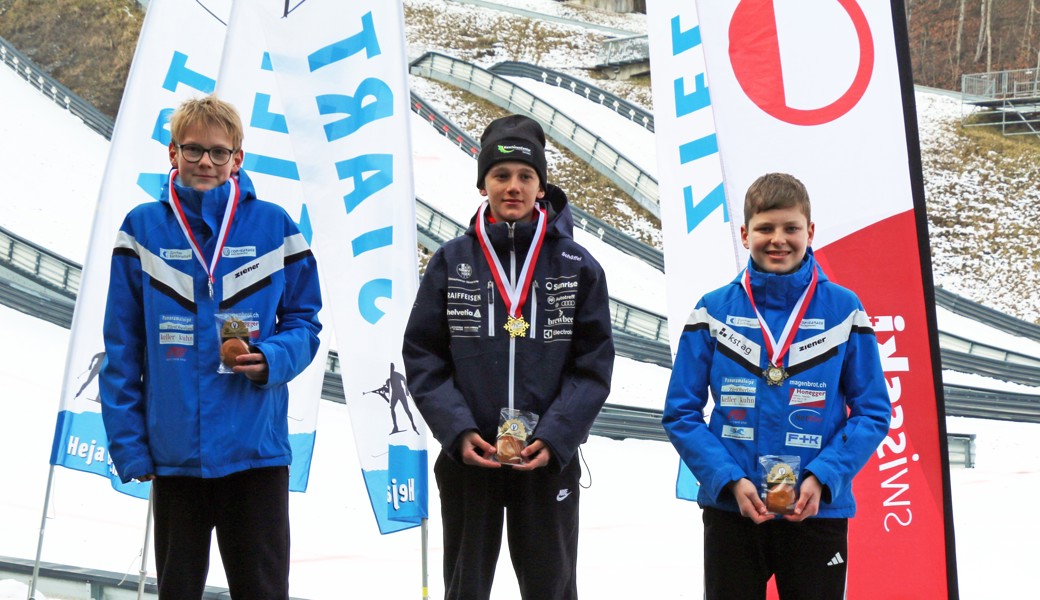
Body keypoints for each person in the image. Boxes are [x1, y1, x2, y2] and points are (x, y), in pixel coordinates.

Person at [99, 95, 322, 599]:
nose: (206, 161)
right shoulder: (141, 229)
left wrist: (271, 359)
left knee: (263, 591)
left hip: (256, 453)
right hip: (176, 455)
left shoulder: (274, 225)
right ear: (172, 154)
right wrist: (130, 445)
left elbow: (306, 321)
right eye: (194, 149)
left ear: (238, 159)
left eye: (220, 152)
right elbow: (122, 347)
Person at [403, 114, 615, 600]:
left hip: (546, 461)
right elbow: (424, 356)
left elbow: (593, 366)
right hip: (470, 458)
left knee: (552, 587)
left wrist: (558, 436)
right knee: (465, 587)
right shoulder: (451, 260)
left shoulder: (577, 265)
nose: (513, 186)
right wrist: (457, 431)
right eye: (501, 175)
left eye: (525, 175)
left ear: (541, 185)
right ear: (483, 184)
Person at [662, 173, 891, 600]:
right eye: (766, 228)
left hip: (817, 510)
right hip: (734, 509)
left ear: (810, 231)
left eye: (791, 228)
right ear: (745, 233)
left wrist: (824, 477)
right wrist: (728, 480)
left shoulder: (845, 310)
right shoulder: (711, 311)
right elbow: (680, 413)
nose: (778, 239)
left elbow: (873, 412)